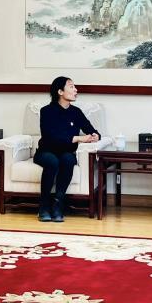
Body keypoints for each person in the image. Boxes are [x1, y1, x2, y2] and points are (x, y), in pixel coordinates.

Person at [35, 76, 100, 223]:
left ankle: (58, 204)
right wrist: (77, 138)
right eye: (71, 86)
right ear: (60, 91)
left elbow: (91, 130)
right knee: (52, 161)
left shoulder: (76, 112)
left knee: (68, 159)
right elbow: (50, 137)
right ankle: (43, 206)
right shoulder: (46, 111)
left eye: (75, 87)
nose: (76, 90)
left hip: (65, 152)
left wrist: (95, 136)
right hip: (46, 151)